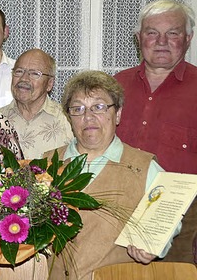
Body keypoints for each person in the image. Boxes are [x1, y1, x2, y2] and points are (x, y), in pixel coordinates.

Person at [45, 70, 174, 280]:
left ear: (118, 114)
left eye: (99, 107)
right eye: (78, 109)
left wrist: (154, 245)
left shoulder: (144, 168)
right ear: (69, 117)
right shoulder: (46, 164)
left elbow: (166, 218)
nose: (88, 117)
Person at [114, 0, 197, 263]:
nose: (161, 41)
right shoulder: (114, 85)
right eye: (152, 33)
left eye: (172, 33)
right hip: (116, 213)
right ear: (139, 39)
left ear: (188, 38)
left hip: (182, 222)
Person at [0, 49, 73, 159]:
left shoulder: (68, 120)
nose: (24, 78)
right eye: (19, 71)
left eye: (34, 74)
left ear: (49, 84)